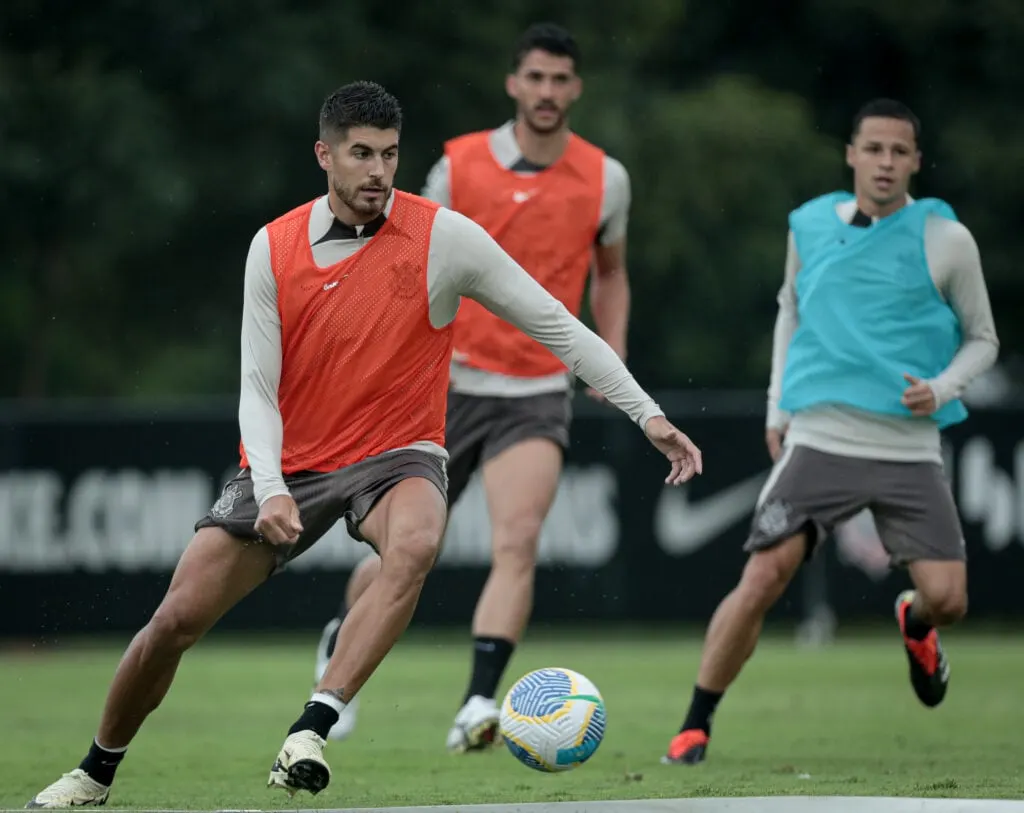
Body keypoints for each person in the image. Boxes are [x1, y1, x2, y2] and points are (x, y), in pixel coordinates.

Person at [27, 80, 701, 808]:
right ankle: (94, 772)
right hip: (292, 462)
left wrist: (647, 413)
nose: (378, 170)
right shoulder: (273, 247)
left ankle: (312, 725)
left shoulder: (445, 237)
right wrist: (275, 486)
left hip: (398, 453)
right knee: (172, 623)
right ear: (324, 155)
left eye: (388, 154)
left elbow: (557, 324)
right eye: (360, 153)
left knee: (415, 544)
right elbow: (257, 388)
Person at [309, 23, 635, 751]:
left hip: (538, 386)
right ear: (514, 84)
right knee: (403, 554)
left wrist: (608, 356)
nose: (548, 92)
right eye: (536, 78)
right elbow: (405, 255)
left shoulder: (606, 177)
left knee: (517, 540)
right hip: (444, 382)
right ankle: (338, 657)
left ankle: (481, 700)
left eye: (561, 80)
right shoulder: (458, 166)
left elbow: (610, 274)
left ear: (575, 89)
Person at [661, 98, 999, 766]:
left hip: (907, 444)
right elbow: (789, 310)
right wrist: (775, 408)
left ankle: (916, 623)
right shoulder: (810, 224)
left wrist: (943, 387)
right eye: (874, 148)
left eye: (900, 152)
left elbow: (984, 340)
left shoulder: (947, 240)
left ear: (916, 162)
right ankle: (694, 725)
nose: (885, 162)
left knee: (949, 600)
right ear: (851, 153)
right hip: (820, 436)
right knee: (762, 576)